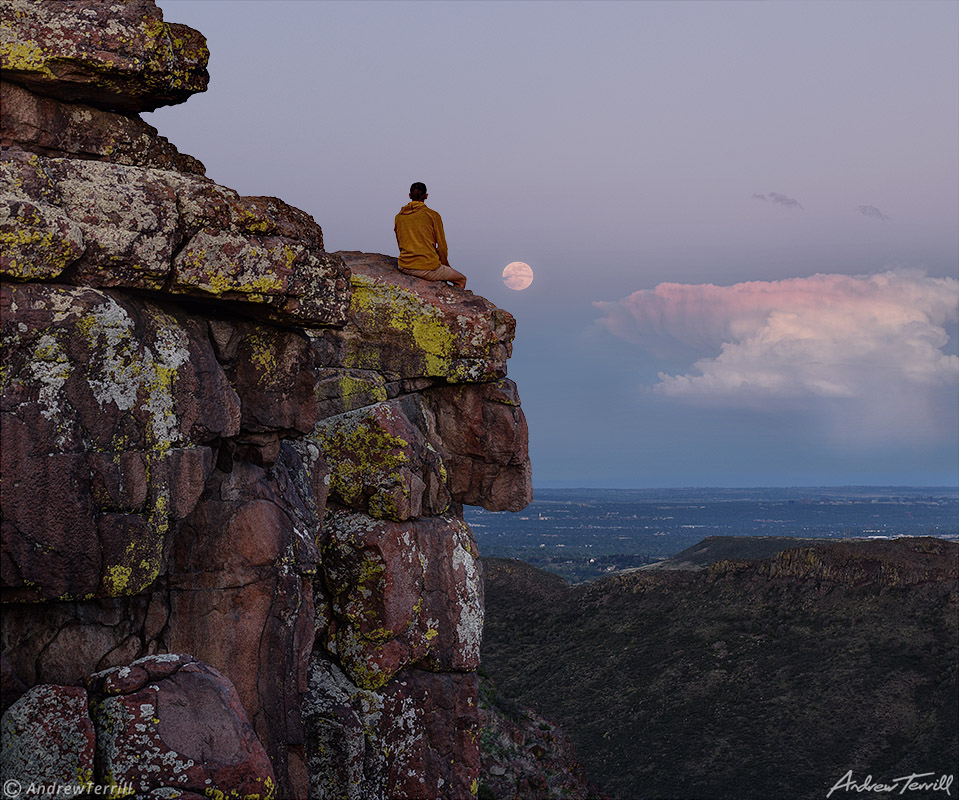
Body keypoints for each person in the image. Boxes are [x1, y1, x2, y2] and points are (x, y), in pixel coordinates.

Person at [394, 182, 467, 289]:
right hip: (426, 267)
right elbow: (442, 247)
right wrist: (445, 266)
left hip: (404, 265)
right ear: (426, 196)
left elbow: (400, 242)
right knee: (461, 279)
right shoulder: (432, 215)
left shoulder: (399, 217)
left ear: (410, 196)